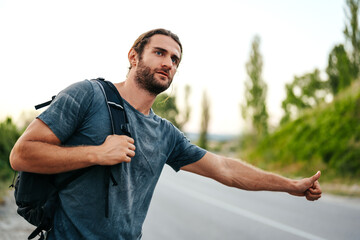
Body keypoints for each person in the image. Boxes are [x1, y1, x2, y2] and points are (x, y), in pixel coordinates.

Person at [10, 28, 322, 239]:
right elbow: (21, 154)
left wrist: (290, 185)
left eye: (175, 59)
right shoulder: (88, 95)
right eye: (160, 53)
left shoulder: (165, 134)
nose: (168, 63)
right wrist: (96, 152)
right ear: (134, 56)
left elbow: (225, 169)